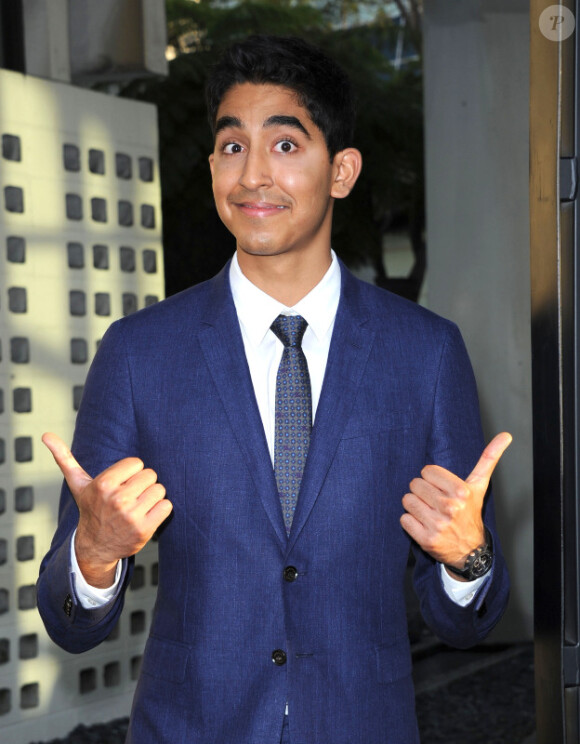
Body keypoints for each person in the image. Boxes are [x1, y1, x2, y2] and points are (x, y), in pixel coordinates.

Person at [37, 34, 511, 744]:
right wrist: (94, 555)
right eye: (233, 147)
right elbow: (69, 623)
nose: (253, 173)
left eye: (285, 146)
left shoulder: (425, 352)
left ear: (342, 170)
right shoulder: (140, 353)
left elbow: (465, 621)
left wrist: (467, 557)